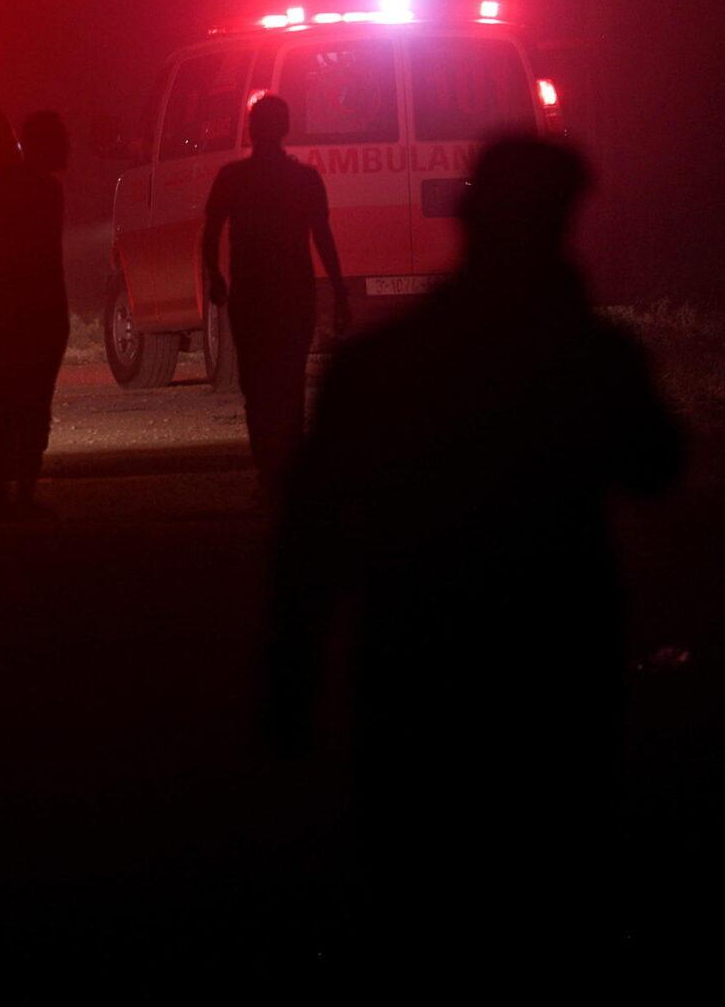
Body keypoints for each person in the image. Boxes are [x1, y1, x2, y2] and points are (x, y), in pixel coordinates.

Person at [264, 137, 683, 945]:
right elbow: (657, 467)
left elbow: (309, 534)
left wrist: (290, 679)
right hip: (556, 671)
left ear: (464, 217)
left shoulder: (381, 364)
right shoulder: (590, 358)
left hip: (416, 671)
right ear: (565, 222)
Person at [201, 92, 346, 493]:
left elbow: (210, 235)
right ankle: (291, 478)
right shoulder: (304, 179)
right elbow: (324, 238)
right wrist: (339, 291)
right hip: (293, 295)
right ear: (285, 129)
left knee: (258, 389)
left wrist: (214, 277)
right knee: (291, 387)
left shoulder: (232, 178)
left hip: (251, 297)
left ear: (250, 129)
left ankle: (269, 475)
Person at [0, 110, 67, 520]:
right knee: (32, 408)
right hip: (36, 311)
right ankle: (24, 493)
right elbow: (46, 260)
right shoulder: (47, 191)